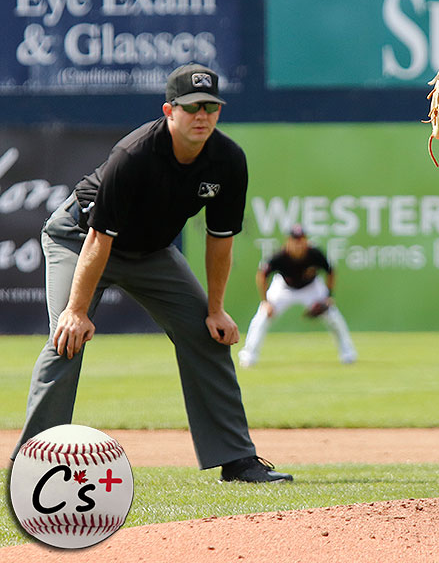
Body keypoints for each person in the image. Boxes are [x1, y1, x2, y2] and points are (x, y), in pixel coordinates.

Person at [12, 63, 293, 483]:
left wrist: (216, 309)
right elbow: (98, 241)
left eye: (211, 107)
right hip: (79, 238)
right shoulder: (135, 154)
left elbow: (220, 241)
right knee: (66, 338)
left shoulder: (227, 160)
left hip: (150, 251)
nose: (202, 116)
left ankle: (237, 459)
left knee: (207, 334)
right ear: (169, 110)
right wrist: (77, 309)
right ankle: (32, 463)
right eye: (191, 106)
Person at [238, 225, 357, 367]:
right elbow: (262, 275)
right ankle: (248, 356)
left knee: (333, 317)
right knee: (263, 316)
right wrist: (265, 302)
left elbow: (331, 271)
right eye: (295, 239)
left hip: (311, 287)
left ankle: (348, 354)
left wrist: (328, 296)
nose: (298, 243)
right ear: (288, 241)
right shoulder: (280, 256)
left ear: (306, 240)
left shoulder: (314, 253)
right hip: (284, 288)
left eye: (301, 239)